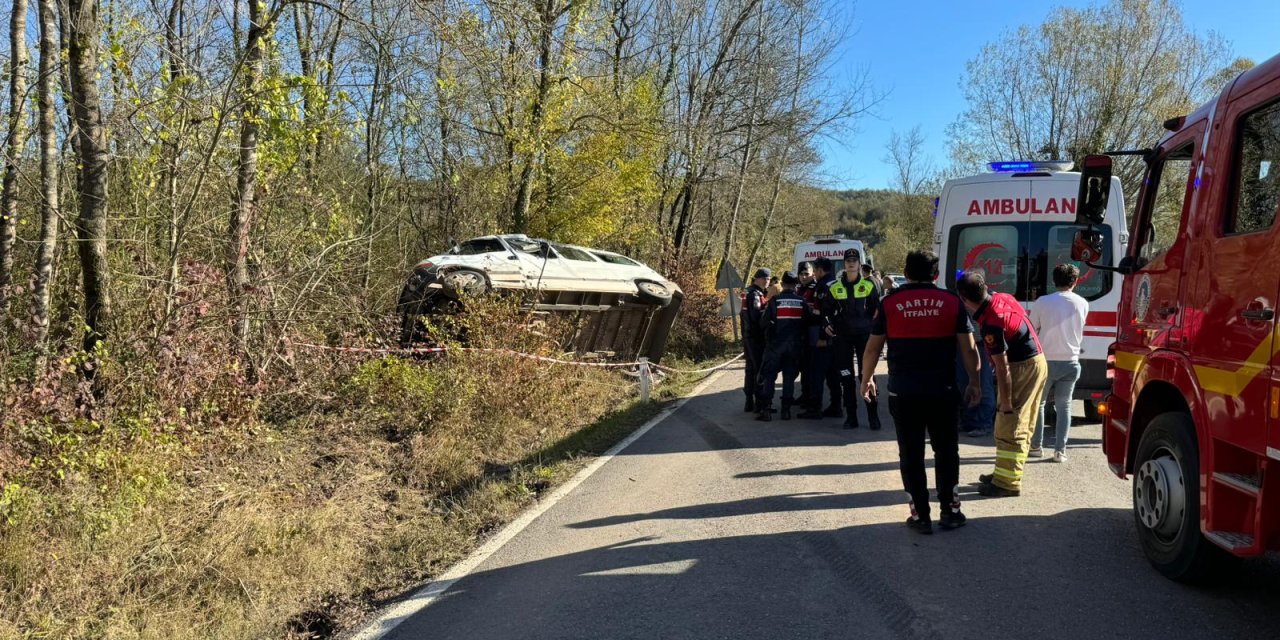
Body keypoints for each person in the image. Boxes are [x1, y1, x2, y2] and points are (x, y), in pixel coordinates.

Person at [861, 250, 981, 534]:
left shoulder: (889, 303)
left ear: (907, 271)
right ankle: (951, 512)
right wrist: (975, 382)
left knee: (911, 454)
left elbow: (872, 348)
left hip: (904, 392)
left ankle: (920, 516)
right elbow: (969, 348)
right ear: (936, 275)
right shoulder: (952, 302)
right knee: (947, 451)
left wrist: (866, 379)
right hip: (944, 390)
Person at [956, 272, 1049, 497]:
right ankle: (1005, 472)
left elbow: (1003, 367)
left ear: (964, 299)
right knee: (1020, 423)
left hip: (1021, 367)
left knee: (1010, 423)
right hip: (1036, 361)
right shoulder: (1002, 298)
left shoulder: (991, 323)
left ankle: (1007, 483)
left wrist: (1006, 402)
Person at [1029, 264, 1089, 462]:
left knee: (1039, 403)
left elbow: (1032, 329)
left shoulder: (1042, 302)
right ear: (1075, 281)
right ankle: (1059, 451)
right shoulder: (1082, 303)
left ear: (1053, 281)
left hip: (1045, 361)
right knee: (1065, 406)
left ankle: (1036, 446)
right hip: (1071, 362)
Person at [831, 248, 882, 429]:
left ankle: (873, 417)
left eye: (854, 260)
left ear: (859, 264)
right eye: (848, 260)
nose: (851, 263)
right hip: (843, 338)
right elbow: (826, 313)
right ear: (844, 264)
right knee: (846, 377)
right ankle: (851, 417)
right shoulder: (835, 287)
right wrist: (827, 326)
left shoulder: (869, 286)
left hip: (864, 337)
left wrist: (874, 331)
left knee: (867, 375)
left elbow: (877, 311)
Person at [756, 272, 806, 421]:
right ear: (795, 285)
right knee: (789, 378)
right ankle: (786, 411)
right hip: (794, 346)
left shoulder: (774, 302)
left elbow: (762, 323)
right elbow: (808, 322)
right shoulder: (801, 302)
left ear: (782, 285)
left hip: (775, 346)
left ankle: (766, 410)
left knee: (770, 377)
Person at [798, 258, 839, 420]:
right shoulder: (836, 283)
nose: (814, 273)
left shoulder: (823, 287)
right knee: (833, 374)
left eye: (815, 270)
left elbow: (823, 315)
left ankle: (815, 408)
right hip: (836, 338)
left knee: (817, 373)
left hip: (823, 337)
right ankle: (836, 406)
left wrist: (822, 337)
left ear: (820, 270)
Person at [740, 268, 770, 413]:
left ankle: (748, 402)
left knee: (750, 368)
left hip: (748, 336)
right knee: (759, 368)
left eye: (768, 279)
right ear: (757, 279)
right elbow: (756, 316)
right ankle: (759, 403)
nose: (767, 281)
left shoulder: (747, 292)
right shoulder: (755, 294)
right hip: (756, 337)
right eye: (765, 278)